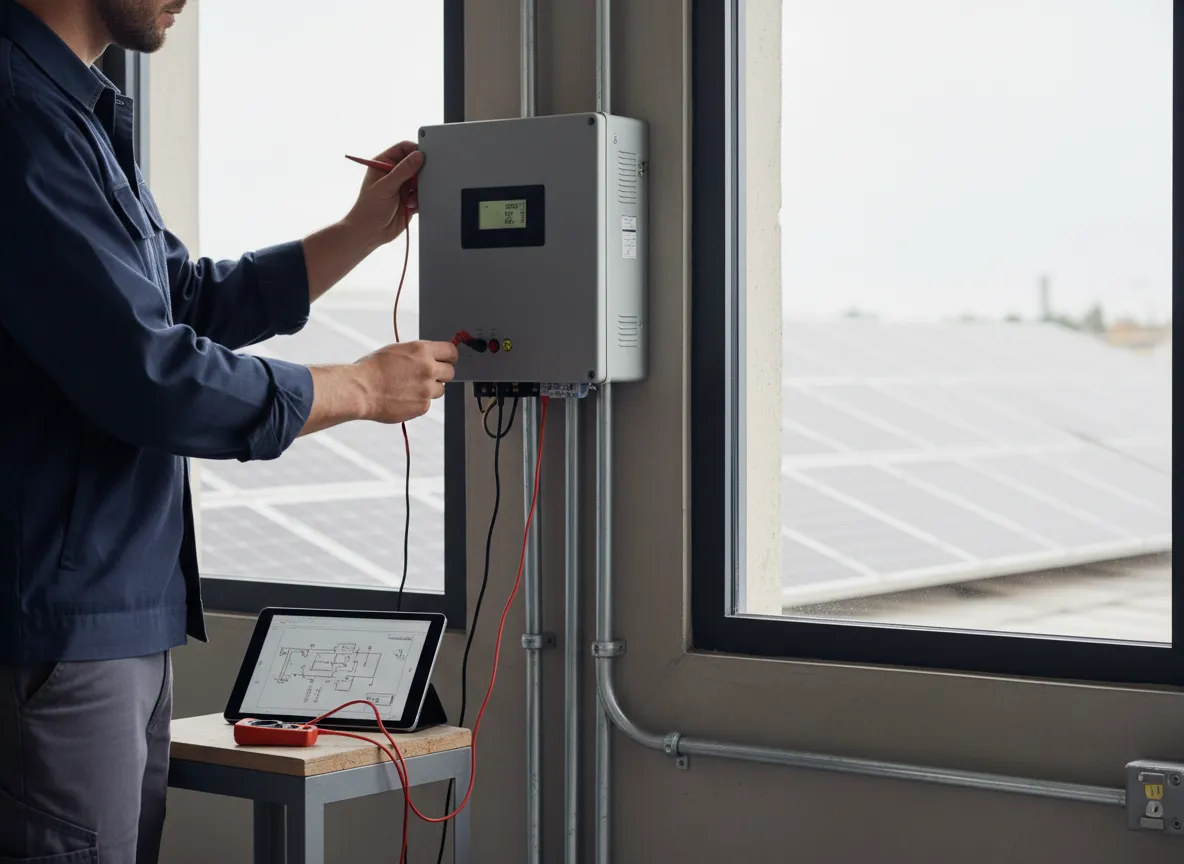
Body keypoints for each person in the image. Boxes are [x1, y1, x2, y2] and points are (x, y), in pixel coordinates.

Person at [0, 0, 458, 860]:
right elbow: (150, 376)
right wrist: (357, 386)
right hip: (55, 629)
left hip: (119, 617)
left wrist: (363, 228)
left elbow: (189, 301)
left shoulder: (77, 110)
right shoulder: (18, 115)